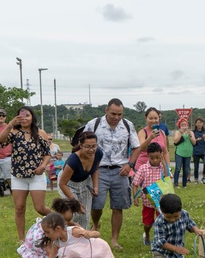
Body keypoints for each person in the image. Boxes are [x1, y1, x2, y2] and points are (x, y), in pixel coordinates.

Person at [81, 100, 143, 248]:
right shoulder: (94, 124)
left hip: (120, 170)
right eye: (113, 114)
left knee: (118, 206)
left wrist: (130, 164)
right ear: (106, 110)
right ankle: (96, 224)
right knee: (97, 204)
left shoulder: (127, 125)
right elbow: (81, 145)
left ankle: (114, 240)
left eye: (119, 114)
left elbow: (136, 147)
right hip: (98, 170)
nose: (116, 117)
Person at [0, 106, 52, 243]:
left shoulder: (40, 133)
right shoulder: (14, 132)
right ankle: (21, 238)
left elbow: (47, 154)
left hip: (36, 175)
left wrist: (42, 166)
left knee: (40, 208)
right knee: (19, 207)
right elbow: (1, 141)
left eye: (27, 116)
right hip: (18, 176)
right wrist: (10, 124)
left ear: (32, 117)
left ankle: (61, 220)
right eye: (21, 116)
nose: (24, 119)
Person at [57, 131, 101, 230]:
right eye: (87, 146)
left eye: (93, 146)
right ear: (80, 145)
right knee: (73, 213)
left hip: (85, 182)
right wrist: (75, 202)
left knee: (85, 215)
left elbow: (95, 169)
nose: (91, 150)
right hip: (68, 184)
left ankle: (82, 240)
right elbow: (62, 184)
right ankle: (58, 231)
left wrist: (95, 186)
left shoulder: (98, 153)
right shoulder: (73, 160)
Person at [130, 142, 167, 246]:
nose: (155, 160)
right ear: (148, 156)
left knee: (162, 222)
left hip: (161, 201)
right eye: (152, 158)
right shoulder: (143, 168)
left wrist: (164, 164)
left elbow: (168, 178)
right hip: (148, 202)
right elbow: (135, 183)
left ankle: (160, 239)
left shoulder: (163, 167)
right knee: (148, 223)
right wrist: (135, 197)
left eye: (157, 157)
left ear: (161, 155)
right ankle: (146, 234)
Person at [172, 118, 194, 187]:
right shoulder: (177, 132)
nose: (184, 126)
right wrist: (181, 134)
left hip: (187, 153)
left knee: (186, 169)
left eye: (185, 125)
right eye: (182, 125)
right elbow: (175, 141)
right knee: (178, 168)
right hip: (179, 152)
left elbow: (194, 142)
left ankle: (184, 184)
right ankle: (176, 183)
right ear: (179, 126)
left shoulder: (190, 132)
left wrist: (190, 134)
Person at [191, 118, 205, 184]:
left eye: (201, 123)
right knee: (196, 167)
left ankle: (203, 177)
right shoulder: (193, 132)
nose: (199, 124)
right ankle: (196, 180)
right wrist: (196, 140)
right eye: (198, 123)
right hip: (196, 151)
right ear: (196, 124)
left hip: (204, 151)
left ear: (203, 124)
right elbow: (192, 141)